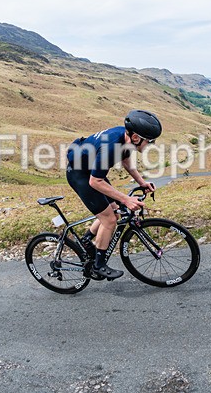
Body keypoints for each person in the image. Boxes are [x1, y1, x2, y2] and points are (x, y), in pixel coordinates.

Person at [65, 110, 162, 280]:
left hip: (90, 170)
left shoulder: (125, 138)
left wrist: (142, 183)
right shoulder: (111, 147)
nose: (151, 145)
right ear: (137, 138)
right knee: (109, 219)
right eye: (150, 141)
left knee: (115, 210)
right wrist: (126, 198)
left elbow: (126, 162)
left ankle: (87, 240)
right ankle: (99, 265)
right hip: (80, 174)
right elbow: (95, 182)